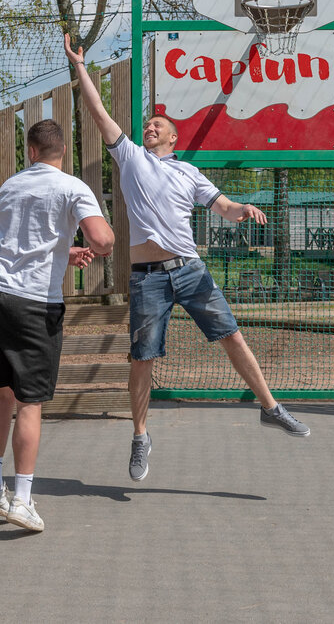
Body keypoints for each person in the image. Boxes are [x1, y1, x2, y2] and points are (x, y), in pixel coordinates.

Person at [65, 33, 310, 485]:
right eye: (148, 123)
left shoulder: (189, 171)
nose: (150, 127)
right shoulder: (132, 159)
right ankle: (140, 436)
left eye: (158, 124)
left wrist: (243, 210)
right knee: (143, 358)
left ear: (174, 137)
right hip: (147, 278)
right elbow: (99, 114)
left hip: (190, 270)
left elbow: (222, 206)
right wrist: (80, 67)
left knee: (232, 337)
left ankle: (271, 408)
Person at [0, 119, 114, 531]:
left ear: (31, 151)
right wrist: (97, 243)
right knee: (29, 403)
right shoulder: (72, 187)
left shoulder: (10, 187)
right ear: (61, 152)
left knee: (2, 394)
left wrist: (63, 253)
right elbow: (102, 240)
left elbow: (27, 242)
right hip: (34, 307)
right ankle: (23, 500)